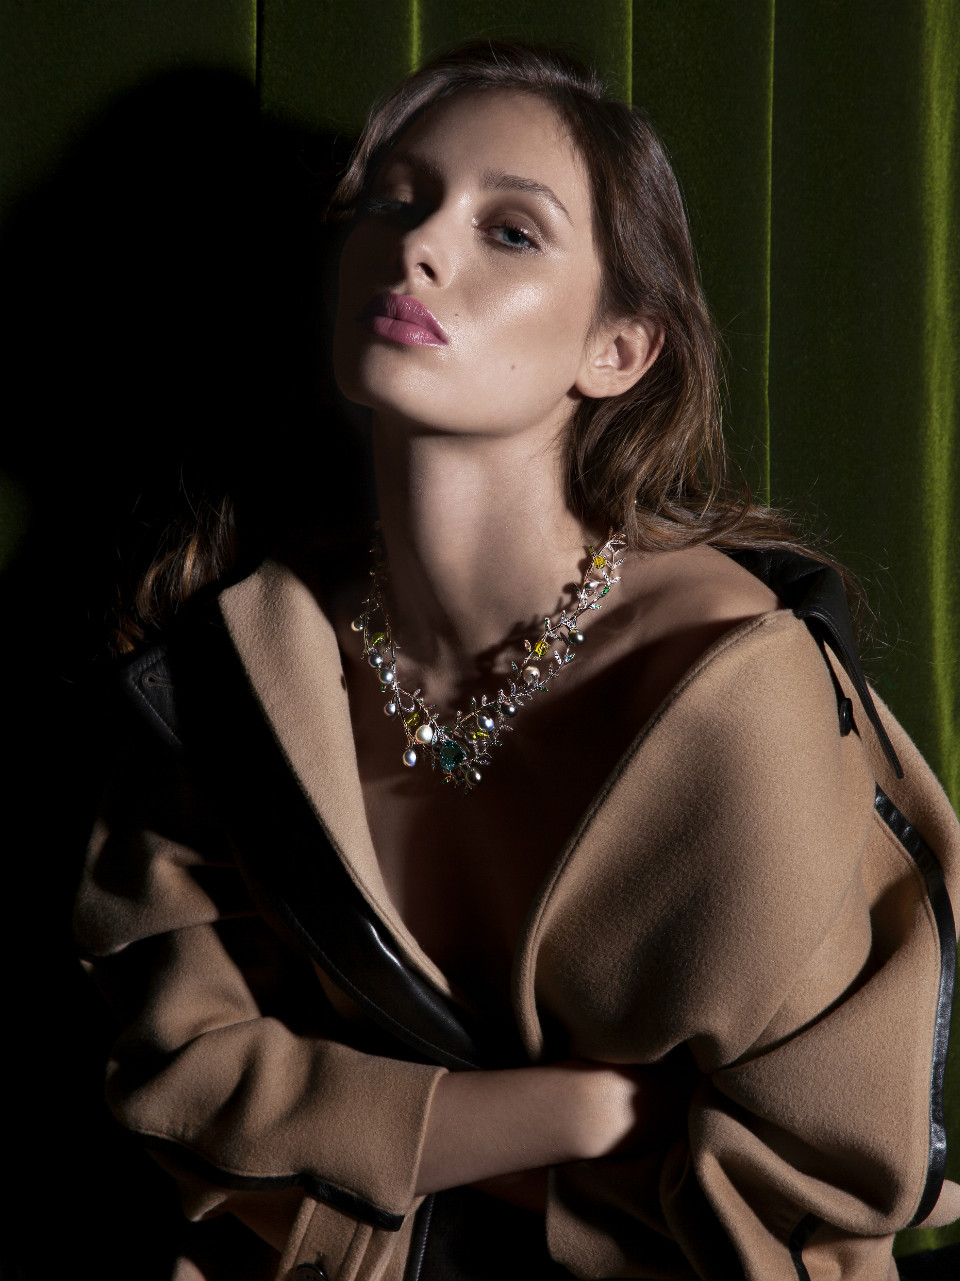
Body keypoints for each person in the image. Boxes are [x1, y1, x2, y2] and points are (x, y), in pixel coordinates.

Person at [74, 40, 960, 1281]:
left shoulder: (720, 682)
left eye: (511, 231)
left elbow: (807, 1181)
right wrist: (567, 1116)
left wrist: (363, 1129)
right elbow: (179, 1084)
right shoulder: (233, 668)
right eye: (394, 202)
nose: (419, 249)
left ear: (620, 351)